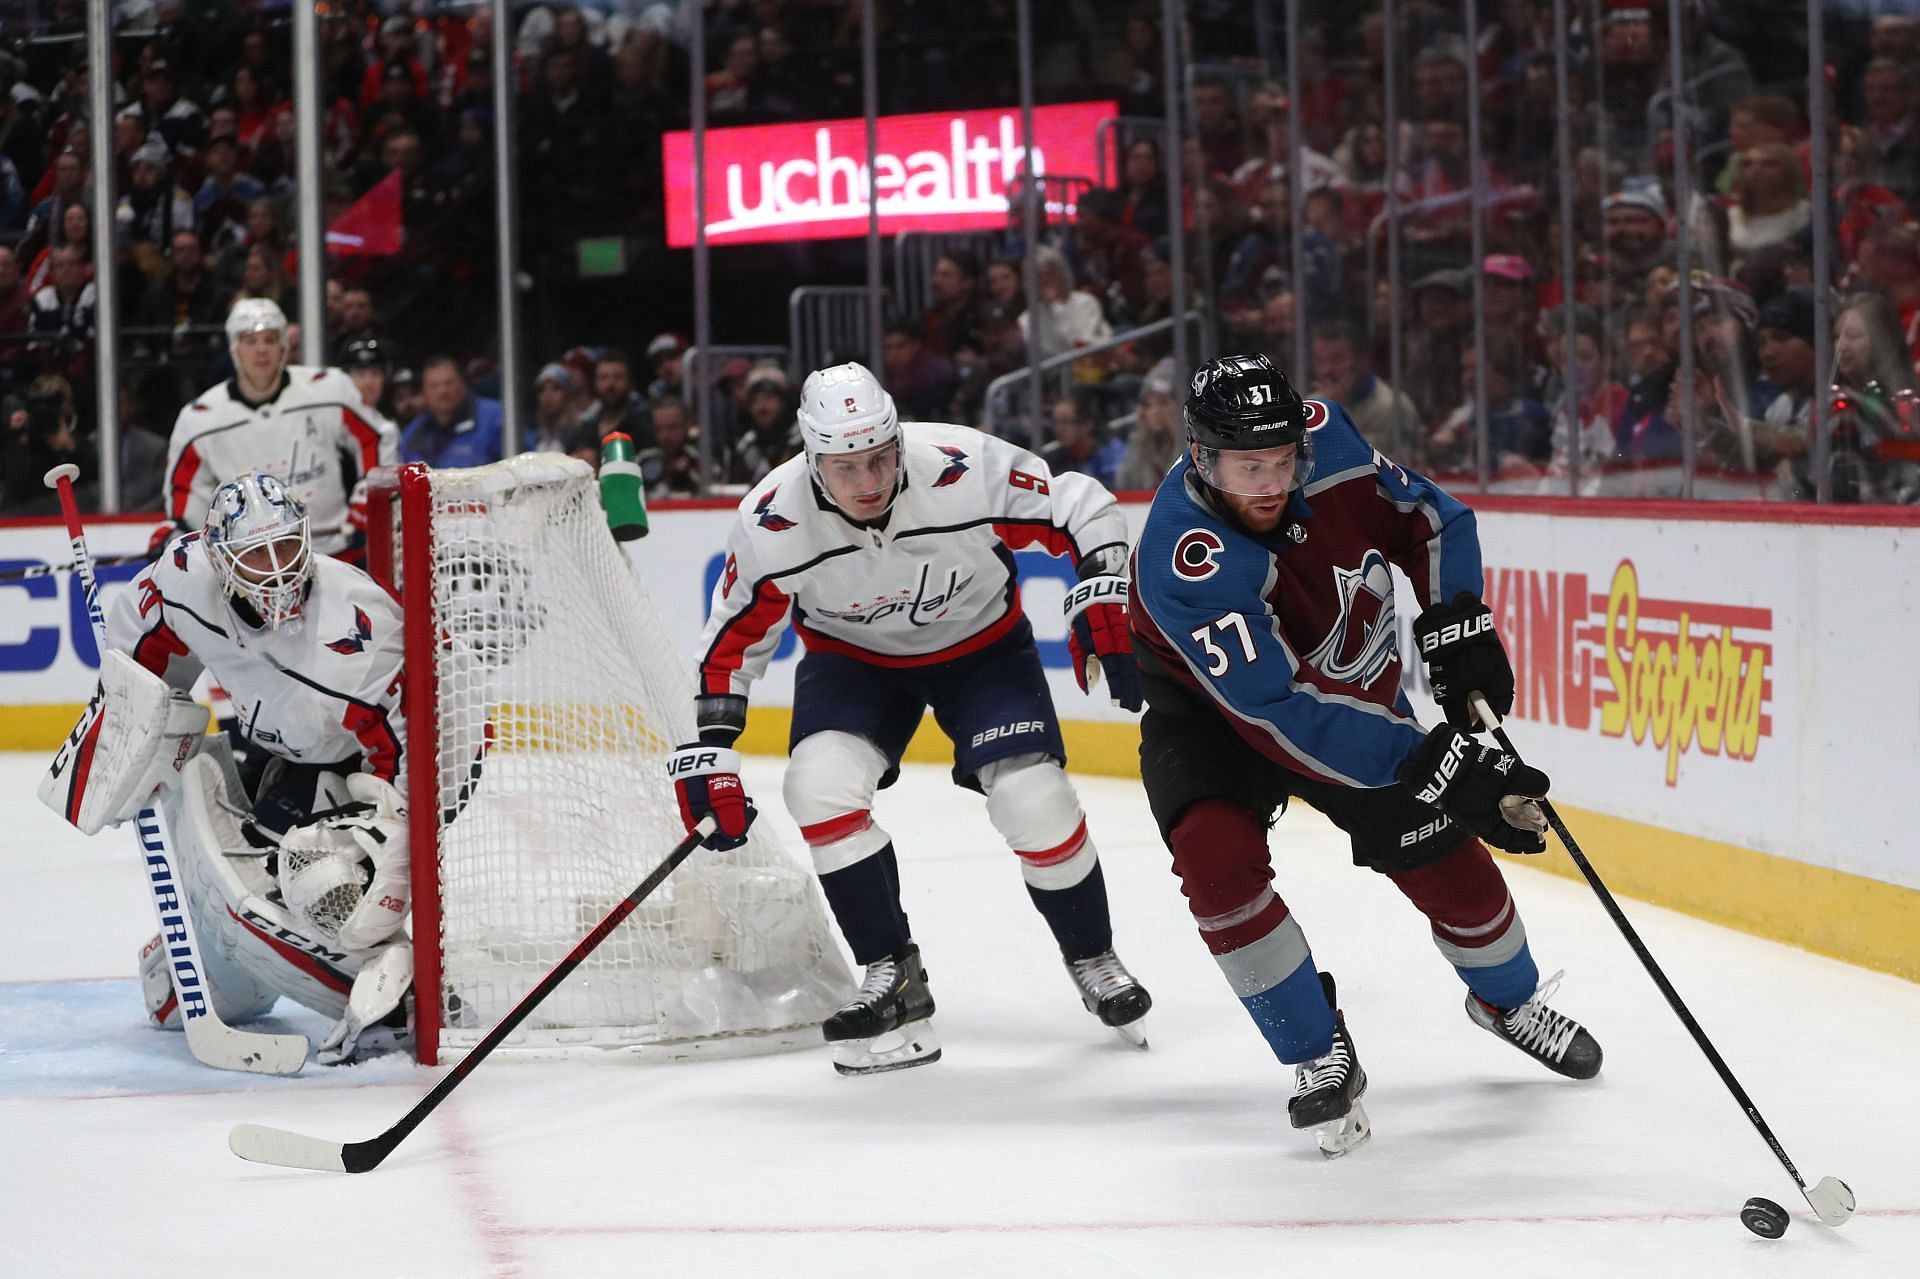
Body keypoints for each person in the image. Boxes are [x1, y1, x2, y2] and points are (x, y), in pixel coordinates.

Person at [1128, 353, 1602, 1157]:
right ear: (1203, 459)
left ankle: (1508, 1002)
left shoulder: (1333, 440)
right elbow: (1278, 714)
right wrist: (1438, 763)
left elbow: (1435, 519)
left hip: (1345, 696)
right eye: (1249, 467)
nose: (1272, 481)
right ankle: (1318, 1052)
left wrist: (1458, 617)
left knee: (1452, 870)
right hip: (1215, 717)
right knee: (1215, 863)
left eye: (1282, 462)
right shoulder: (1185, 558)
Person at [673, 362, 1153, 1076]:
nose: (867, 481)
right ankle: (890, 969)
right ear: (811, 460)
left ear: (899, 440)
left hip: (984, 650)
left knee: (1033, 796)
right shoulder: (770, 520)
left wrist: (1105, 584)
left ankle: (1092, 954)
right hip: (854, 662)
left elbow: (1078, 502)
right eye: (844, 466)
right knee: (817, 783)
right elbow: (731, 642)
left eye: (879, 457)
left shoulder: (962, 464)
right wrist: (709, 748)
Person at [39, 473, 412, 1067]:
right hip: (276, 753)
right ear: (220, 558)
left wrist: (393, 837)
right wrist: (142, 717)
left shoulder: (365, 627)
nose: (278, 570)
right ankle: (217, 965)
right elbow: (139, 631)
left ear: (307, 536)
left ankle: (400, 988)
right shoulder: (186, 575)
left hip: (349, 773)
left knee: (322, 884)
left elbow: (416, 755)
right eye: (255, 556)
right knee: (180, 996)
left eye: (287, 547)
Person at [164, 299, 395, 559]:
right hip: (250, 562)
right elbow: (188, 493)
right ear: (235, 349)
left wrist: (369, 497)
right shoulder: (201, 418)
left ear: (284, 346)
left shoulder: (328, 389)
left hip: (334, 550)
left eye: (270, 340)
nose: (261, 350)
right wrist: (183, 530)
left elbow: (377, 437)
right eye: (250, 341)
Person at [401, 356, 506, 468]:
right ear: (424, 392)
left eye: (449, 383)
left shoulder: (495, 417)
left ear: (462, 384)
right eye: (434, 386)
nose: (443, 391)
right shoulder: (413, 434)